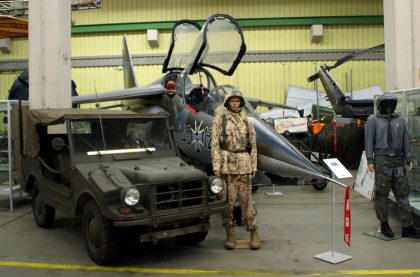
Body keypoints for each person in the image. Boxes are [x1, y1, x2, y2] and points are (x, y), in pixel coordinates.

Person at [365, 92, 420, 239]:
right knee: (382, 194)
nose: (389, 106)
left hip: (398, 160)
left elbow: (405, 140)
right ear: (380, 105)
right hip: (382, 160)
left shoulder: (401, 120)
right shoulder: (373, 120)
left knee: (403, 194)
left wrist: (409, 159)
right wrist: (370, 160)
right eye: (386, 103)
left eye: (391, 103)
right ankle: (384, 223)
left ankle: (407, 226)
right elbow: (369, 141)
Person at [211, 89, 260, 250]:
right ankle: (230, 234)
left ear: (241, 103)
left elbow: (253, 146)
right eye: (232, 101)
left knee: (248, 202)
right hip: (227, 166)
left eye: (237, 101)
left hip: (244, 165)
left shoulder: (248, 122)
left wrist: (254, 165)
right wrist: (216, 166)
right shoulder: (220, 120)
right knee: (228, 203)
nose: (234, 103)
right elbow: (215, 145)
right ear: (227, 103)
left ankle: (253, 232)